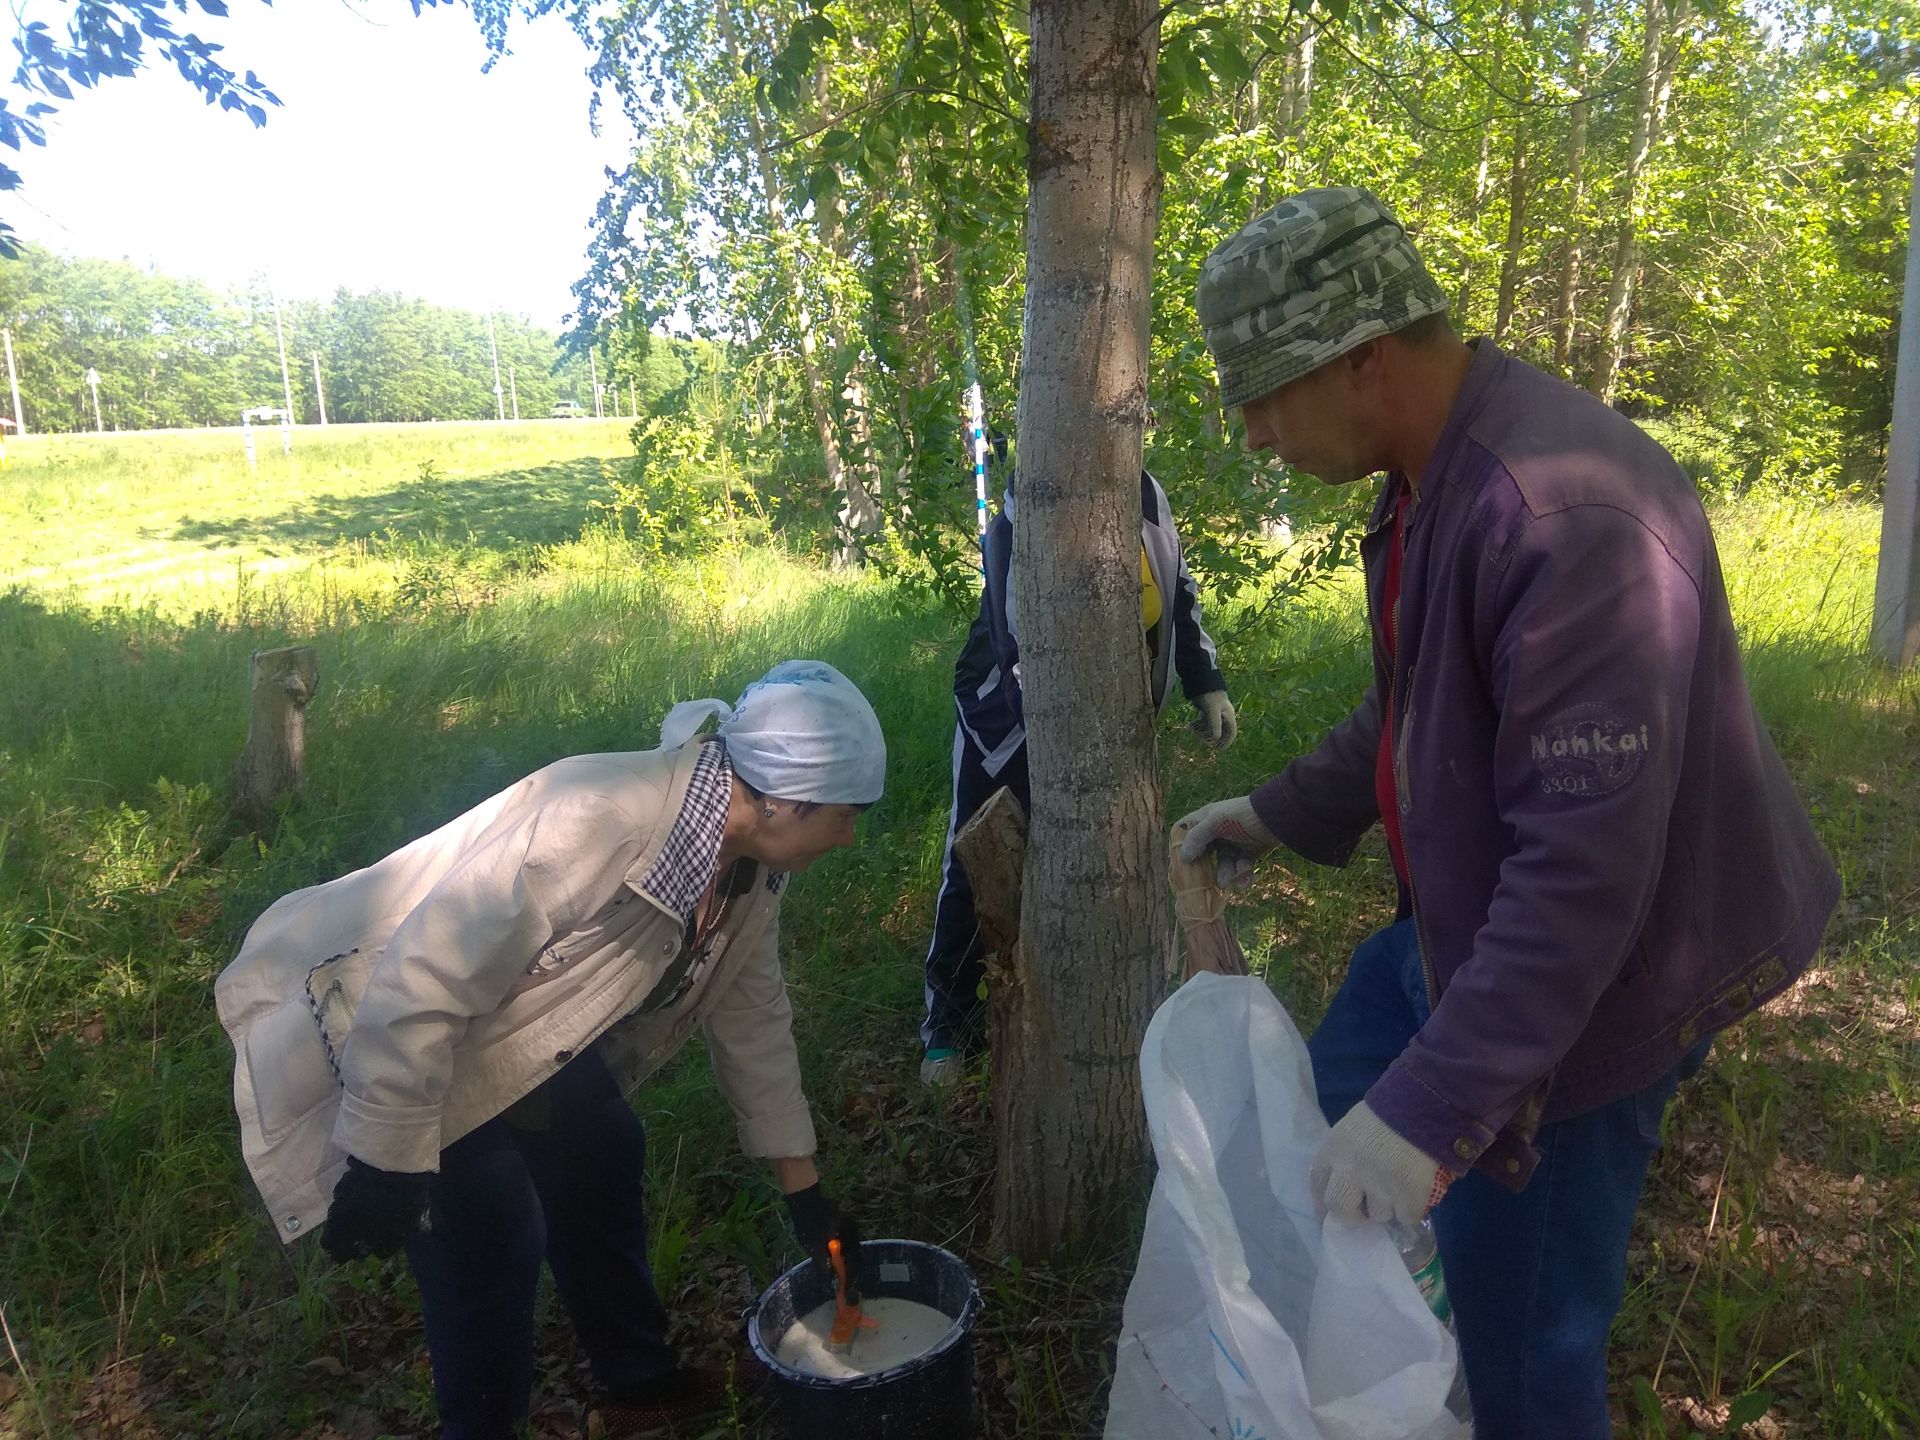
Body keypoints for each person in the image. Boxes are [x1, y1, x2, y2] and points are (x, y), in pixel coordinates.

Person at [1174, 187, 1840, 1438]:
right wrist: (1274, 810)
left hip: (1602, 982)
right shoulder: (1431, 476)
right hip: (1470, 928)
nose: (1255, 436)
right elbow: (1421, 708)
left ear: (1364, 358)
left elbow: (1582, 886)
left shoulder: (1559, 515)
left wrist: (1431, 1119)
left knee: (1521, 1335)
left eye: (1264, 396)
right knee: (1327, 1132)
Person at [217, 661, 882, 1440]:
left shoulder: (751, 871)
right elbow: (426, 975)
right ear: (788, 801)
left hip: (523, 1035)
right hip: (391, 1028)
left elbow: (754, 1017)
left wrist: (803, 1190)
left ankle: (641, 1386)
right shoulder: (602, 819)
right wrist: (385, 1157)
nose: (852, 833)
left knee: (603, 1149)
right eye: (847, 813)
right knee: (493, 1234)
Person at [921, 468, 1236, 1083]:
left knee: (1099, 866)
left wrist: (1207, 683)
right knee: (972, 861)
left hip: (1114, 720)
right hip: (1004, 723)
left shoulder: (1149, 492)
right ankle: (947, 1030)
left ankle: (1085, 1011)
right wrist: (1046, 729)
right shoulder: (1029, 498)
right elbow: (1011, 622)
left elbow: (1177, 587)